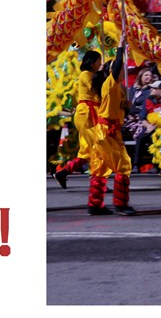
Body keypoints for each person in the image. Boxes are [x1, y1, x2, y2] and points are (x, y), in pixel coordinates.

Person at [87, 45, 137, 216]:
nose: (123, 70)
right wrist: (120, 47)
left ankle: (95, 204)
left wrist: (126, 106)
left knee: (100, 168)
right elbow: (116, 67)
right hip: (107, 131)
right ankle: (121, 204)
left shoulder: (118, 89)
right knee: (123, 164)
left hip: (107, 130)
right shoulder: (110, 83)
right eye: (120, 68)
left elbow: (120, 109)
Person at [54, 50, 102, 189]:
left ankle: (63, 173)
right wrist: (103, 75)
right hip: (87, 114)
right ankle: (97, 180)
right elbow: (95, 88)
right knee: (98, 146)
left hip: (91, 113)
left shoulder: (91, 74)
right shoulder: (86, 75)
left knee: (87, 151)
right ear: (92, 63)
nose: (100, 63)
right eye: (98, 61)